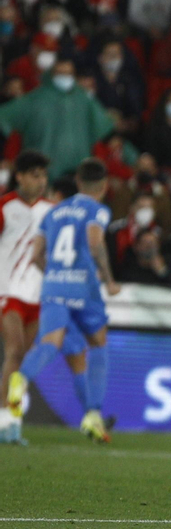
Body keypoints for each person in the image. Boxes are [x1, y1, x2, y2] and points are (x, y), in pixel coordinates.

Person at [7, 159, 121, 444]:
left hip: (54, 288)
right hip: (84, 288)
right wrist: (108, 280)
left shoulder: (53, 213)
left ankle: (20, 378)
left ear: (78, 183)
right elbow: (95, 241)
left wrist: (56, 275)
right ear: (104, 186)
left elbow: (35, 256)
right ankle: (93, 413)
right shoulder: (97, 210)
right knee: (97, 345)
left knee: (50, 343)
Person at [0, 151, 53, 442]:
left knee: (24, 361)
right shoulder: (5, 207)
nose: (41, 181)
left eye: (44, 176)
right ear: (19, 176)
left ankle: (13, 422)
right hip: (7, 292)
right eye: (35, 175)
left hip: (37, 295)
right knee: (15, 352)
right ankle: (2, 419)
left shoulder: (51, 210)